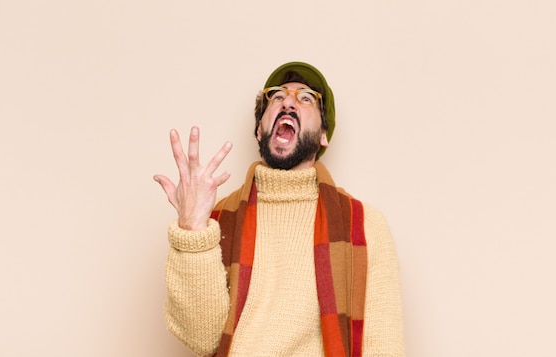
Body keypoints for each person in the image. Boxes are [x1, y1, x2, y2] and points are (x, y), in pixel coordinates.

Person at [153, 62, 404, 356]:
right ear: (259, 130)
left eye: (306, 98)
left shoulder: (363, 225)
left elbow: (384, 347)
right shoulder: (218, 221)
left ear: (324, 135)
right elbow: (203, 338)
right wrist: (193, 229)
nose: (288, 101)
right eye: (276, 97)